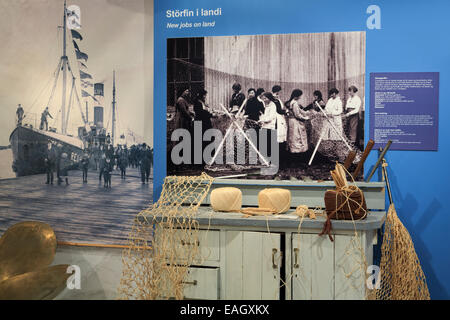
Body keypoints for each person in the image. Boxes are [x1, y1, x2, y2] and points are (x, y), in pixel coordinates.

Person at [286, 90, 310, 164]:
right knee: (297, 137)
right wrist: (305, 118)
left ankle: (293, 155)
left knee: (293, 137)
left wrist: (306, 113)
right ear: (297, 96)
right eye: (300, 95)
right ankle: (297, 158)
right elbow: (297, 115)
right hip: (295, 122)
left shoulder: (291, 102)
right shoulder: (295, 103)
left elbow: (300, 111)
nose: (300, 97)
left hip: (291, 121)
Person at [193, 89, 214, 168]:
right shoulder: (198, 103)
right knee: (201, 142)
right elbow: (201, 113)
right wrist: (210, 114)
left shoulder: (202, 103)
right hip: (201, 123)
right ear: (201, 95)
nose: (205, 97)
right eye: (204, 95)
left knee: (206, 141)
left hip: (204, 123)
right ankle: (200, 162)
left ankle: (205, 159)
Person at [272, 85, 288, 170]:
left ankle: (279, 159)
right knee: (278, 138)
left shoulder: (276, 99)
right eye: (279, 91)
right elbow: (279, 110)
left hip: (279, 119)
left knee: (278, 139)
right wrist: (286, 111)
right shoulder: (275, 100)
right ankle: (279, 159)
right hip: (277, 119)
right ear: (277, 91)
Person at [258, 92, 278, 159]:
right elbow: (265, 115)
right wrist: (261, 119)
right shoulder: (267, 105)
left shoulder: (273, 105)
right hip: (265, 126)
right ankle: (265, 158)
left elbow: (271, 117)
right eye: (263, 98)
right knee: (265, 143)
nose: (264, 99)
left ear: (269, 98)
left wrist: (262, 120)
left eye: (265, 98)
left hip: (270, 126)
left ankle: (270, 159)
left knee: (269, 144)